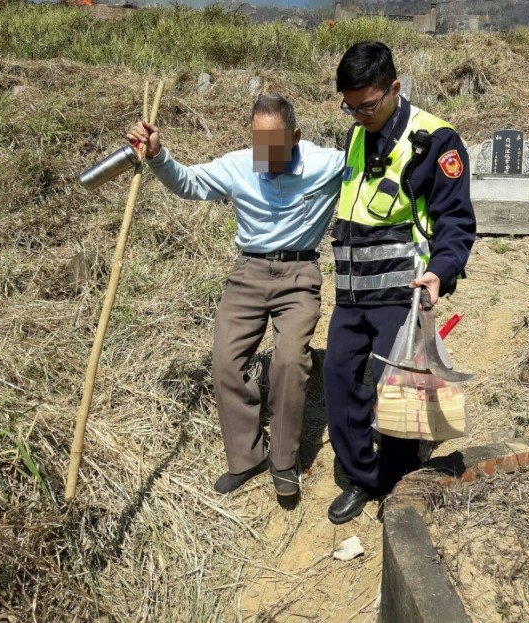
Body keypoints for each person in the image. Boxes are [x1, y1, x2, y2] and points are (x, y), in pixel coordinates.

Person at [127, 95, 344, 498]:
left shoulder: (326, 164)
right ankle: (248, 456)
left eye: (274, 145)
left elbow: (368, 167)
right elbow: (189, 182)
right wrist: (158, 156)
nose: (265, 154)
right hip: (248, 273)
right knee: (226, 362)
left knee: (289, 361)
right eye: (258, 143)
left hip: (299, 273)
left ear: (295, 136)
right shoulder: (238, 164)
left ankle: (283, 460)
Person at [323, 41, 476, 524]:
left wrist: (441, 272)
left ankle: (398, 485)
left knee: (399, 390)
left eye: (367, 104)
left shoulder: (435, 140)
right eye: (351, 105)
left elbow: (456, 221)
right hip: (351, 292)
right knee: (340, 381)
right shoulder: (356, 132)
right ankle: (363, 478)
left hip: (402, 292)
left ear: (395, 87)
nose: (359, 114)